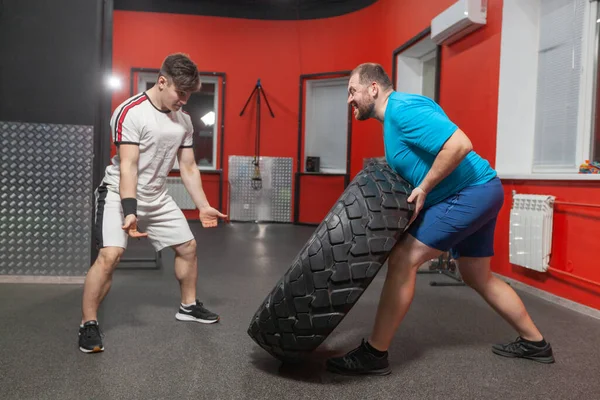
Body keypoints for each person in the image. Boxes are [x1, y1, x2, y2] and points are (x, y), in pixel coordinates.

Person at [325, 63, 554, 375]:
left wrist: (424, 187)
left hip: (469, 192)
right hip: (480, 190)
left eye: (352, 91)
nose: (349, 100)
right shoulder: (394, 118)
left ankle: (374, 354)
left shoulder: (402, 109)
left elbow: (460, 144)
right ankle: (535, 342)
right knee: (476, 275)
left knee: (404, 258)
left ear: (373, 88)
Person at [78, 53, 227, 354]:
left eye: (189, 94)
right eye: (180, 92)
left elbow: (188, 167)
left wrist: (203, 205)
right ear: (162, 82)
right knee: (110, 256)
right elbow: (129, 166)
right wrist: (130, 211)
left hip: (158, 196)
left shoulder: (183, 120)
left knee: (188, 247)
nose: (184, 100)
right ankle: (88, 323)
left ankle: (188, 306)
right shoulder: (130, 112)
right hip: (120, 194)